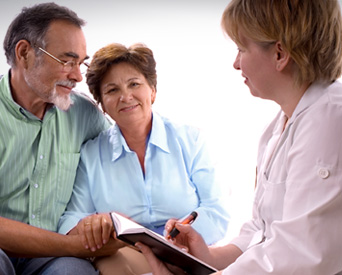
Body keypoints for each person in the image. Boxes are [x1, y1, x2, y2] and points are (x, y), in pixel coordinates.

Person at [136, 0, 342, 274]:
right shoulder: (277, 129)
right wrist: (206, 257)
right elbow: (260, 232)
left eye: (241, 48)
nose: (235, 63)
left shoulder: (329, 120)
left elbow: (301, 254)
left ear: (280, 54)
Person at [57, 42, 230, 274]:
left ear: (153, 91)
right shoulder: (90, 155)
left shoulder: (190, 140)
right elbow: (71, 218)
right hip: (124, 254)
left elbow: (216, 209)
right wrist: (93, 223)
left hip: (184, 252)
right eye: (112, 90)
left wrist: (184, 236)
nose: (125, 96)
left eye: (134, 84)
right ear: (102, 105)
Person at [0, 3, 123, 274]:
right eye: (67, 61)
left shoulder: (85, 115)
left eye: (80, 63)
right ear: (24, 53)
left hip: (53, 258)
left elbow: (123, 162)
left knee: (74, 272)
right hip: (9, 251)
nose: (78, 76)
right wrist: (74, 246)